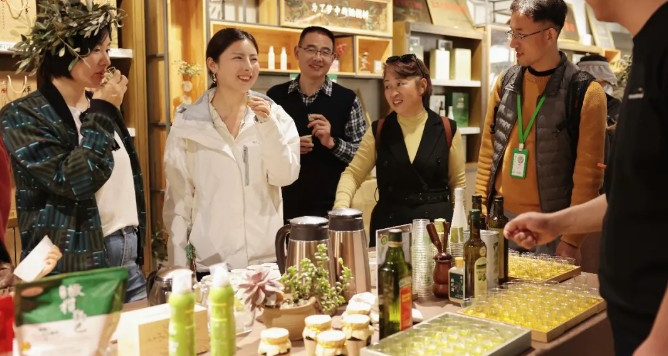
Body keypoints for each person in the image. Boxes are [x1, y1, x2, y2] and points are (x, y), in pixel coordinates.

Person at [504, 0, 668, 354]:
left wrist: (658, 341)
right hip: (634, 319)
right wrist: (556, 223)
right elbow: (638, 192)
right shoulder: (648, 47)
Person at [0, 0, 147, 302]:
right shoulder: (22, 115)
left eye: (107, 49)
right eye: (94, 50)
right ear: (62, 50)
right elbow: (75, 180)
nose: (106, 60)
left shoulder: (99, 106)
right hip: (73, 268)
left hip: (128, 259)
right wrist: (104, 111)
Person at [475, 0, 607, 259]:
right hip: (500, 222)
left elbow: (588, 175)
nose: (513, 43)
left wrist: (571, 240)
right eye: (511, 33)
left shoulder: (585, 92)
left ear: (549, 35)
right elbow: (488, 151)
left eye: (521, 34)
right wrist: (480, 213)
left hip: (553, 228)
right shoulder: (505, 82)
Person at [163, 28, 300, 277]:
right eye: (238, 58)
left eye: (253, 59)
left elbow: (285, 175)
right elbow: (179, 203)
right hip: (213, 264)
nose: (248, 66)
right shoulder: (188, 125)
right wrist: (180, 266)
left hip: (266, 261)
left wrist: (268, 126)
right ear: (212, 64)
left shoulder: (275, 116)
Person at [333, 54, 466, 244]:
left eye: (400, 84)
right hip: (389, 231)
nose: (392, 93)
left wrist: (461, 233)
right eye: (387, 86)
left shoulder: (447, 129)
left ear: (422, 86)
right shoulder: (379, 130)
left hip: (436, 232)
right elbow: (353, 174)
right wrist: (340, 209)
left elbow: (458, 186)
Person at [267, 26, 367, 220]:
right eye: (311, 50)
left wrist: (332, 142)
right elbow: (262, 149)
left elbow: (362, 157)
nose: (318, 57)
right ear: (297, 52)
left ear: (333, 58)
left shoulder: (347, 100)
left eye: (325, 52)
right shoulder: (275, 97)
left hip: (333, 208)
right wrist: (289, 148)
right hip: (281, 206)